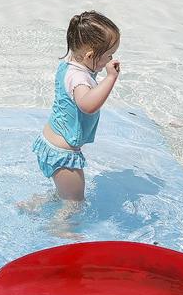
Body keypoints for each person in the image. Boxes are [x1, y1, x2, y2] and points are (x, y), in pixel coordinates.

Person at [31, 11, 122, 202]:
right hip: (63, 154)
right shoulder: (79, 78)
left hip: (51, 143)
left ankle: (34, 204)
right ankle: (59, 223)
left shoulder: (70, 65)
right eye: (108, 55)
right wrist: (111, 78)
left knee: (65, 194)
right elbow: (87, 105)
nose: (110, 59)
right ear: (90, 55)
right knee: (75, 202)